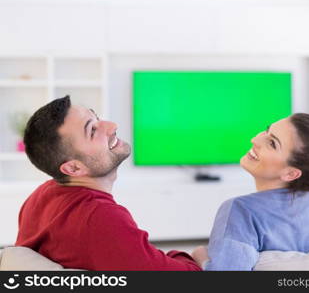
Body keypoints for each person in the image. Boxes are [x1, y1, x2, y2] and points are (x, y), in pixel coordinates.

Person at [15, 95, 201, 271]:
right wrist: (193, 257)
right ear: (73, 169)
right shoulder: (100, 217)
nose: (112, 126)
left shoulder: (42, 194)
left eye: (96, 117)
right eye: (92, 130)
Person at [191, 113, 309, 270]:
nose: (255, 139)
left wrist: (199, 254)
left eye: (272, 143)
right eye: (267, 131)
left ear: (291, 173)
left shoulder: (240, 210)